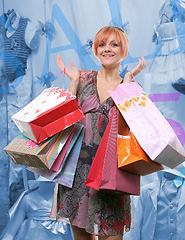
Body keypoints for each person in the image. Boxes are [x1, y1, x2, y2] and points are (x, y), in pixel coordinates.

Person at [53, 26, 146, 240]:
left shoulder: (131, 87)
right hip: (78, 175)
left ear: (124, 51)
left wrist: (128, 86)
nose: (107, 49)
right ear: (95, 50)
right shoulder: (83, 78)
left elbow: (135, 130)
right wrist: (73, 83)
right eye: (102, 44)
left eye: (114, 44)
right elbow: (65, 122)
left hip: (112, 176)